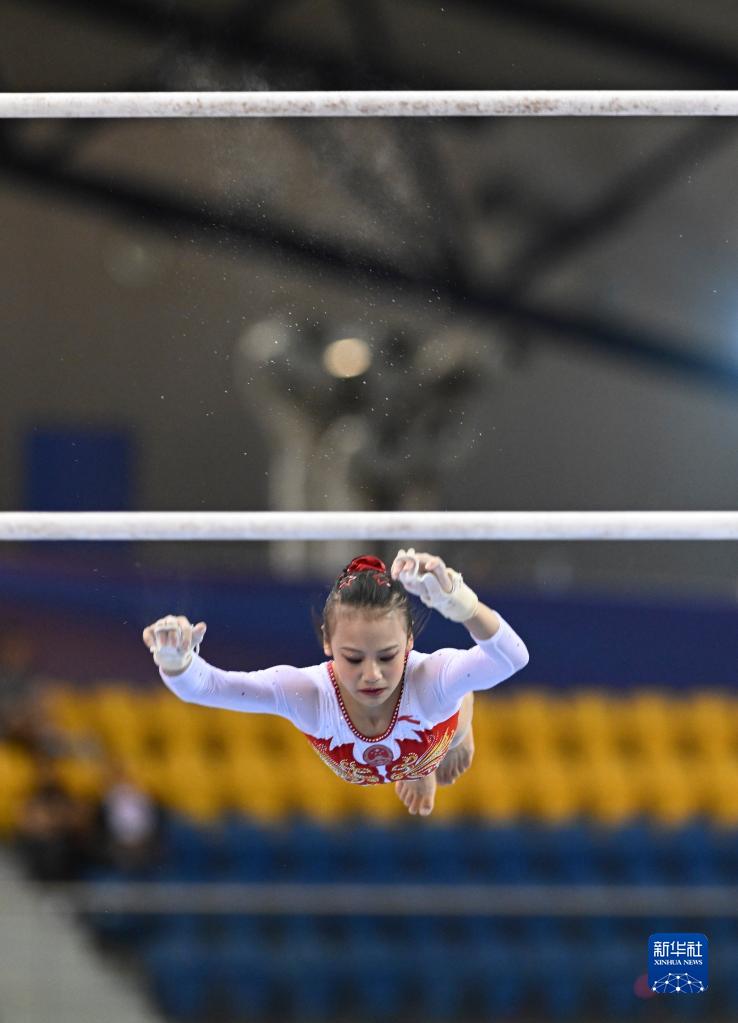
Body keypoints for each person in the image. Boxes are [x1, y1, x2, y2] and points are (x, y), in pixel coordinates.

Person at [142, 549, 529, 817]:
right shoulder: (307, 694)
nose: (372, 674)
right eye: (354, 658)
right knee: (449, 687)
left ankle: (457, 721)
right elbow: (205, 688)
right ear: (327, 643)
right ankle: (433, 742)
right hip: (422, 728)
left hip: (436, 717)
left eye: (387, 656)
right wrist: (178, 661)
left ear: (410, 640)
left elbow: (512, 658)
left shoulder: (429, 681)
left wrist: (459, 603)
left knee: (449, 692)